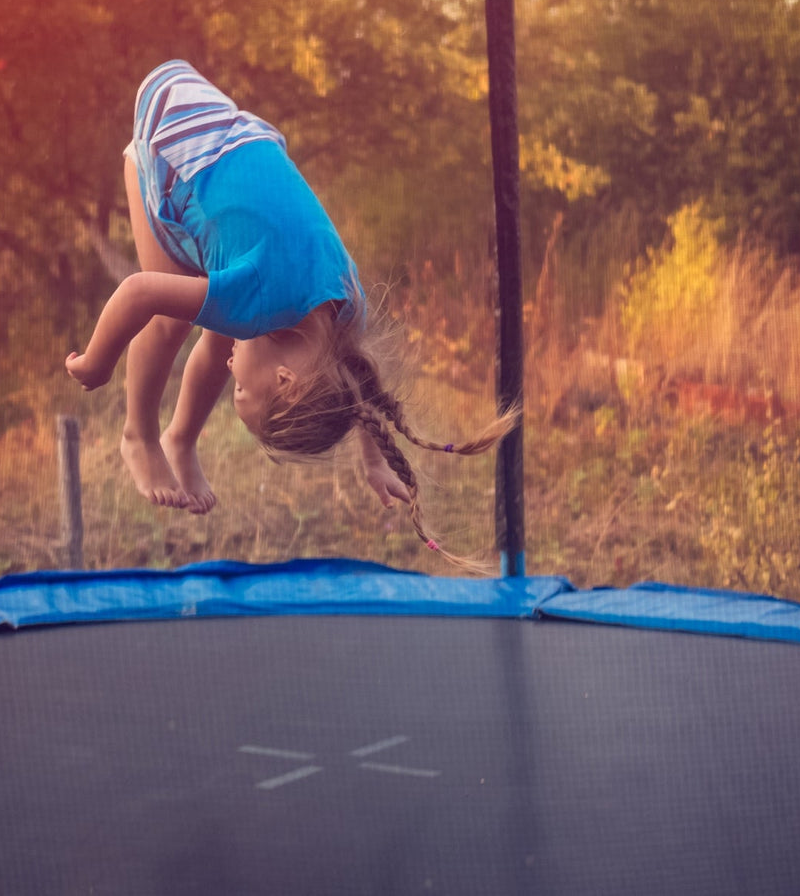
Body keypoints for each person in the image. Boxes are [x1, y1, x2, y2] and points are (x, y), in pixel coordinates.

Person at [65, 60, 516, 560]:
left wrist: (374, 460)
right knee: (172, 321)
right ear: (283, 379)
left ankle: (181, 440)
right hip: (168, 133)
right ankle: (141, 436)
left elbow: (354, 386)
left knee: (223, 327)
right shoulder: (256, 297)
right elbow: (136, 293)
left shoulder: (343, 314)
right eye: (240, 388)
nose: (233, 370)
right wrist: (96, 362)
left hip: (230, 133)